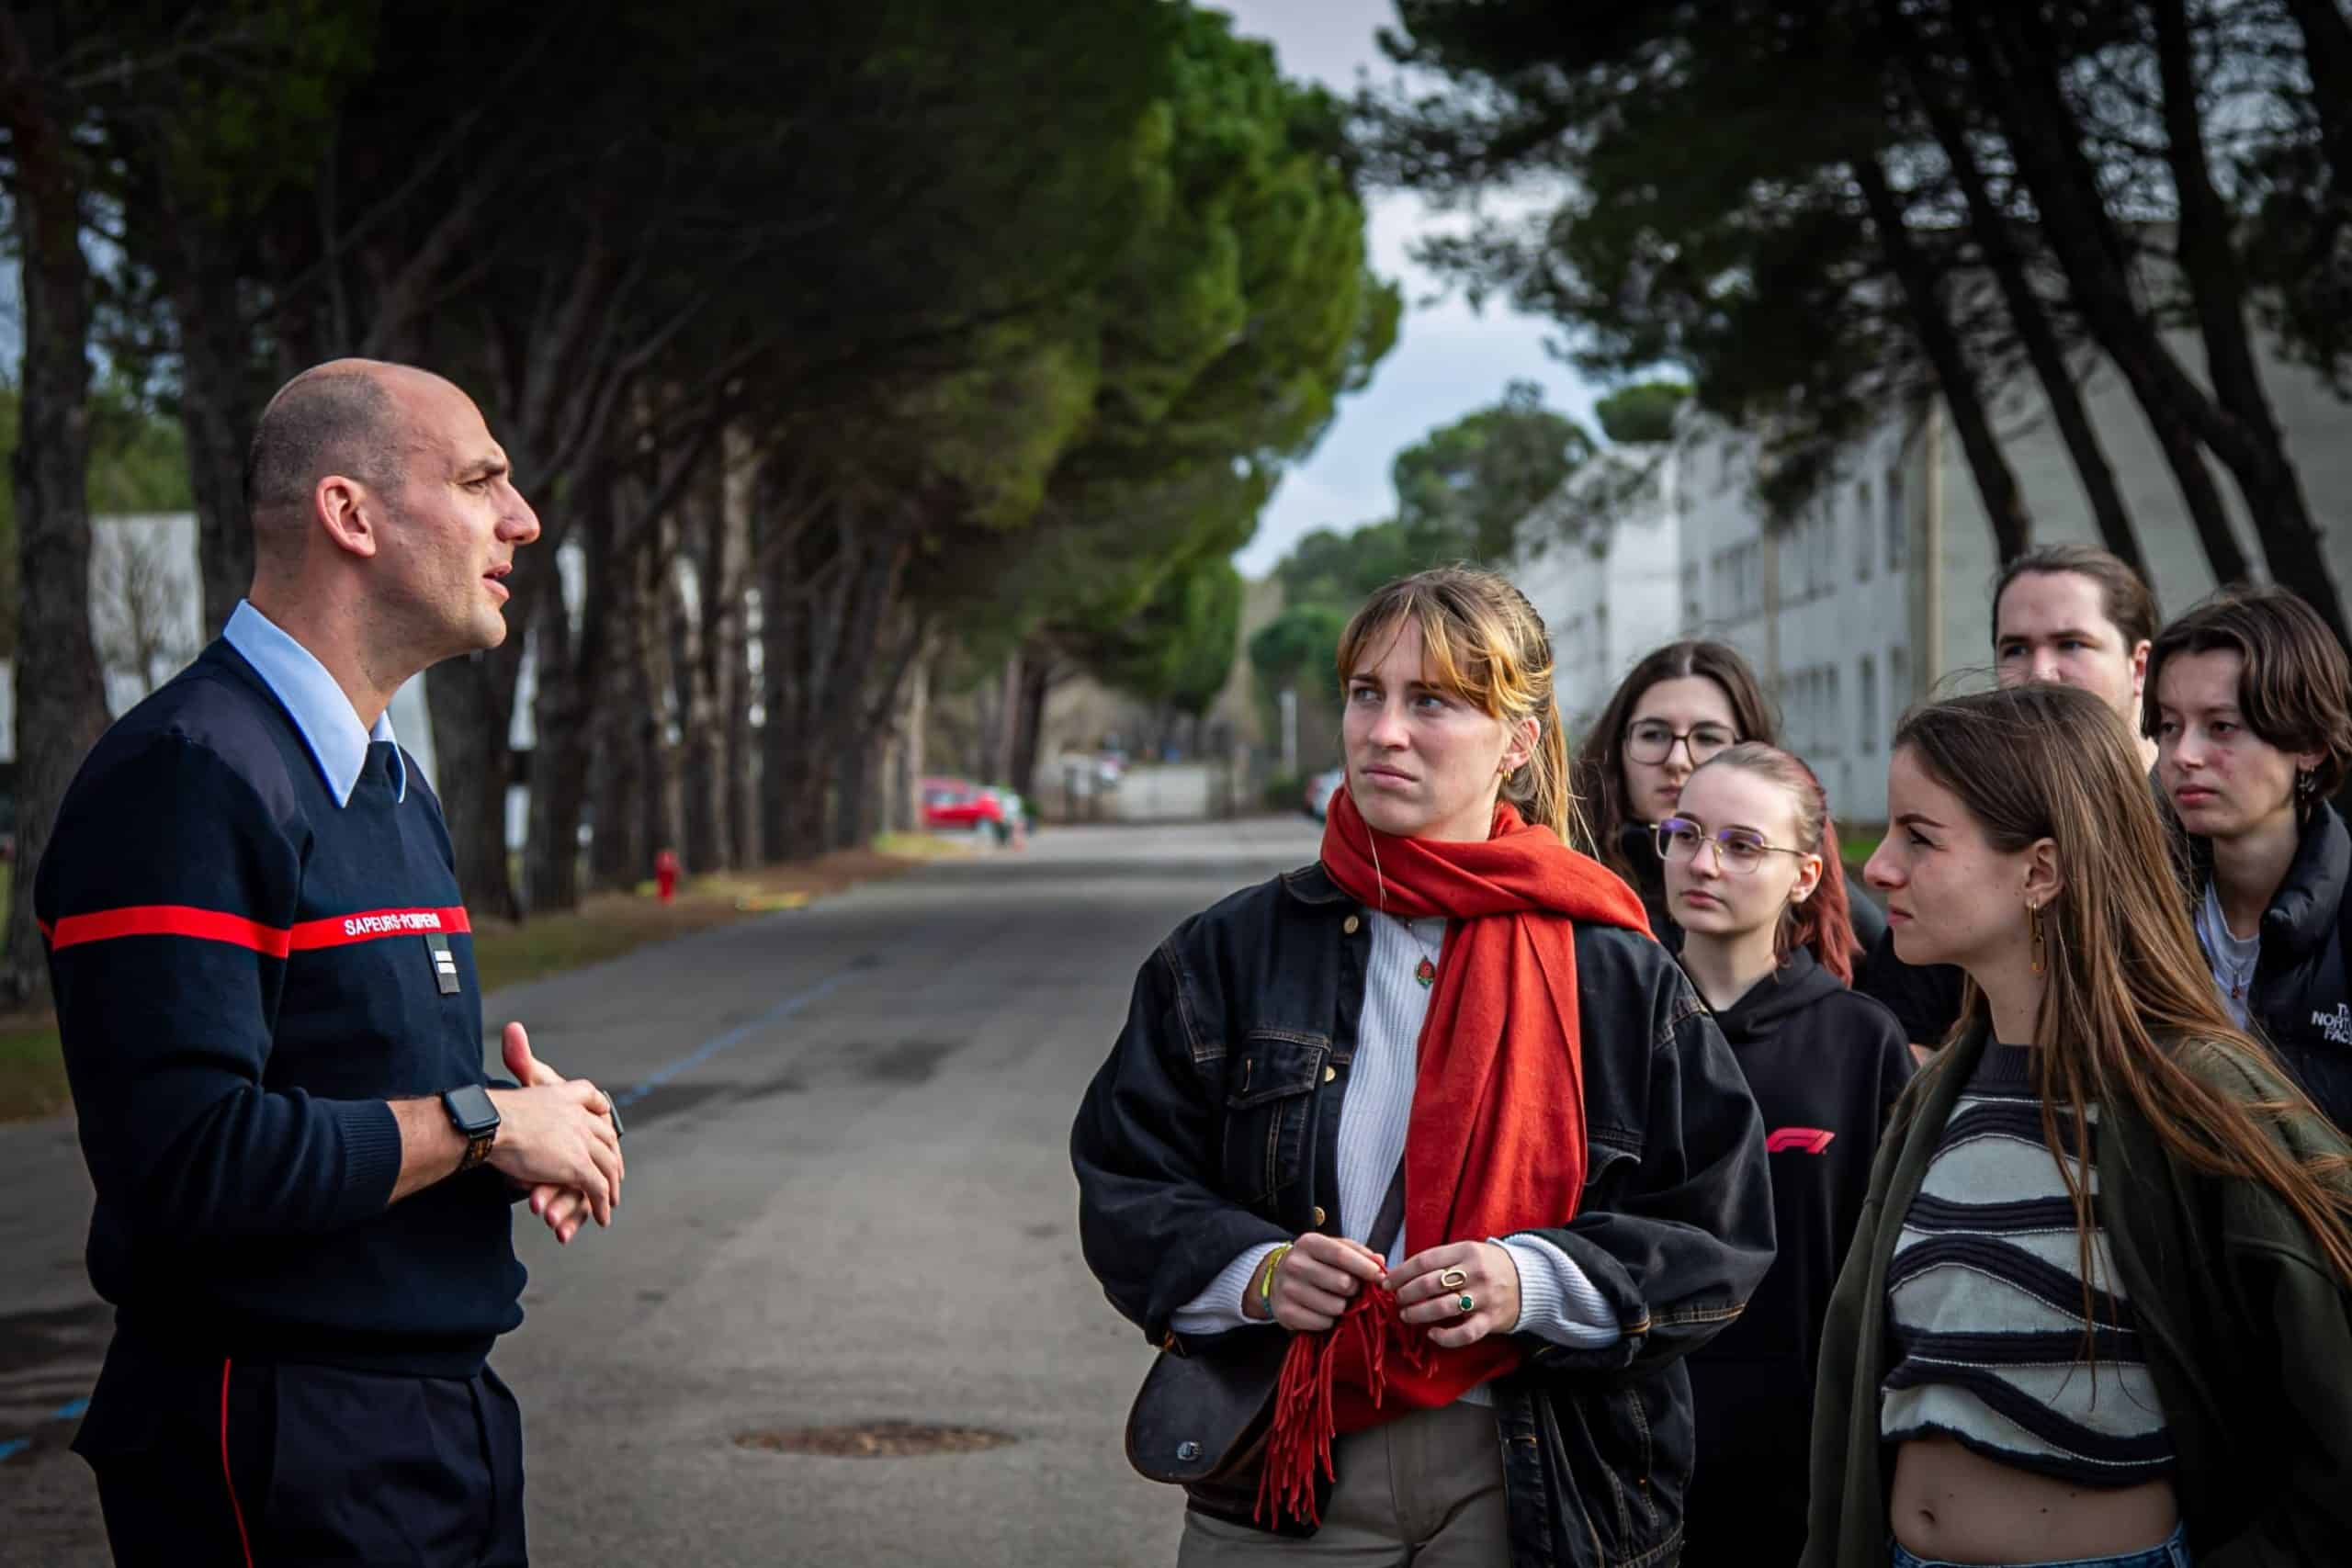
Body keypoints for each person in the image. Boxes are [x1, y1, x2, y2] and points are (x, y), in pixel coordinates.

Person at [37, 359, 624, 1566]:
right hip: (279, 1443)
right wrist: (479, 1120)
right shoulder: (189, 775)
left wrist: (527, 1130)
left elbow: (354, 1099)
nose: (523, 519)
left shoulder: (389, 781)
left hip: (435, 1425)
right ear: (351, 515)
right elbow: (188, 1161)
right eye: (480, 480)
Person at [1072, 567, 1774, 1567]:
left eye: (1432, 702)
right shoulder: (1227, 954)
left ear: (1518, 743)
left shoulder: (1615, 971)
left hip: (1541, 1467)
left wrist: (1526, 1281)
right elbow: (1125, 1179)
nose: (1383, 731)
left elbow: (1719, 1230)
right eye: (1367, 693)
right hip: (1282, 1458)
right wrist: (1258, 1271)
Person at [1808, 682, 2352, 1567]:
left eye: (1921, 836)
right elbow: (1858, 1390)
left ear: (2042, 871)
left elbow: (2330, 1415)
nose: (1877, 867)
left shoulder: (2200, 1094)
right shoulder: (1932, 1095)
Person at [1657, 744, 1912, 1567]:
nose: (1702, 862)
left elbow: (1886, 1275)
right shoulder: (1612, 1025)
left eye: (1740, 845)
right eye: (1686, 833)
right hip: (1637, 1455)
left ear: (1803, 875)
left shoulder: (1859, 1040)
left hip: (1805, 1468)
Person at [1857, 544, 2163, 1054]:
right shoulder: (1959, 820)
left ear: (2138, 665)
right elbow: (1899, 1044)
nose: (2041, 672)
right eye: (2015, 649)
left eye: (2071, 645)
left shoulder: (2200, 833)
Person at [2148, 583, 2352, 1129]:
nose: (2184, 756)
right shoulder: (2134, 908)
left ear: (2308, 745)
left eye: (2222, 728)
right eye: (2169, 726)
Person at [1571, 638, 1885, 957]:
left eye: (1707, 737)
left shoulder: (1816, 894)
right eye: (1654, 735)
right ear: (1618, 747)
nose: (1677, 760)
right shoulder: (1568, 878)